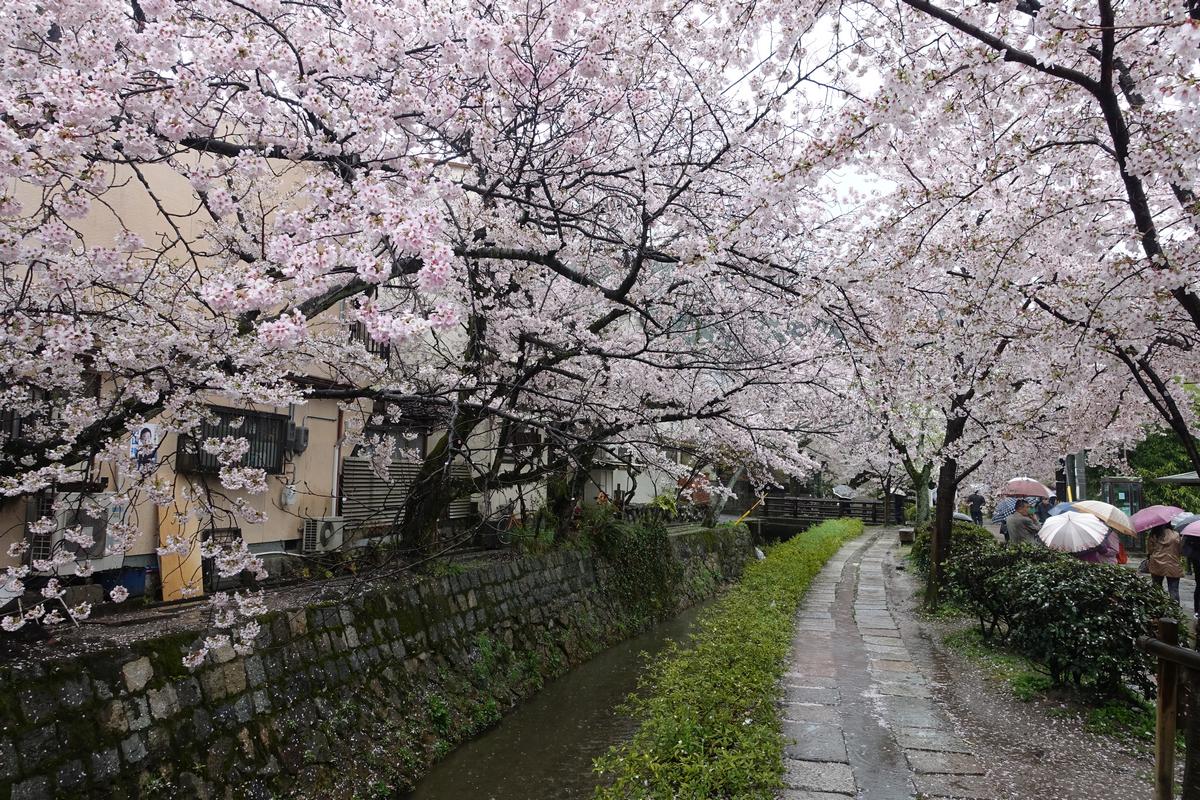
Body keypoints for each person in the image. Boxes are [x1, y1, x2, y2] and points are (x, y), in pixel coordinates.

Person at [1147, 523, 1184, 603]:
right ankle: (1175, 610)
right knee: (1173, 589)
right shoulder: (1176, 535)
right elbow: (1180, 550)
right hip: (1173, 564)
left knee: (1156, 588)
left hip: (1157, 563)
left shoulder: (1154, 535)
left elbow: (1150, 550)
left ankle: (1158, 607)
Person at [1182, 533, 1200, 620]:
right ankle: (1197, 610)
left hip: (1196, 558)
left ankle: (1197, 610)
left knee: (1198, 584)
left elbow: (1186, 545)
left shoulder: (1192, 532)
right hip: (1197, 558)